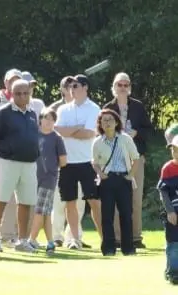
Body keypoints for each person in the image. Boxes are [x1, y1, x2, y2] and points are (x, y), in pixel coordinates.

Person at [0, 79, 39, 253]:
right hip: (6, 162)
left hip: (29, 164)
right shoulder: (3, 112)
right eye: (18, 93)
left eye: (25, 93)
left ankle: (23, 241)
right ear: (12, 94)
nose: (22, 96)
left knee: (26, 203)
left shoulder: (32, 113)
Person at [103, 72, 152, 249]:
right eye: (119, 85)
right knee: (115, 198)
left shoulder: (138, 107)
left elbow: (148, 129)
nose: (122, 88)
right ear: (114, 88)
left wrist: (136, 133)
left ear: (130, 87)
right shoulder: (108, 107)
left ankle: (135, 237)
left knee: (135, 199)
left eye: (126, 85)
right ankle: (117, 238)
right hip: (114, 159)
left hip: (135, 158)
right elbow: (101, 132)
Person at [55, 74, 102, 249]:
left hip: (88, 161)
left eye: (75, 86)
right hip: (67, 162)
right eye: (70, 87)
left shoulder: (93, 108)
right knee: (70, 201)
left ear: (85, 87)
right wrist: (76, 128)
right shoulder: (63, 110)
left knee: (94, 201)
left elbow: (89, 133)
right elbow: (58, 130)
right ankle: (73, 239)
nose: (71, 89)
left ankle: (106, 239)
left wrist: (69, 131)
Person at [92, 109, 139, 256]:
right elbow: (94, 161)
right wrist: (100, 174)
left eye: (110, 120)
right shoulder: (98, 142)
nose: (107, 123)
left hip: (123, 179)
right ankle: (108, 248)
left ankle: (128, 248)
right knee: (107, 215)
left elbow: (135, 158)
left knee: (126, 214)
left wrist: (130, 175)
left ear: (117, 122)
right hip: (107, 180)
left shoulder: (125, 139)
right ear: (100, 123)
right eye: (104, 120)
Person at [28, 109, 66, 254]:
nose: (48, 121)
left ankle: (31, 240)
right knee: (46, 213)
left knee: (39, 211)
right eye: (45, 118)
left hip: (48, 179)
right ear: (40, 120)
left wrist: (50, 166)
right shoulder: (35, 136)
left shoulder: (57, 138)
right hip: (33, 178)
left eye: (51, 119)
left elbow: (63, 161)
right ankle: (50, 243)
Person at [158, 124, 178, 285]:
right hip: (173, 214)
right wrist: (170, 211)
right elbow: (163, 192)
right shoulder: (168, 169)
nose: (175, 153)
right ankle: (173, 273)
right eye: (173, 149)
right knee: (173, 244)